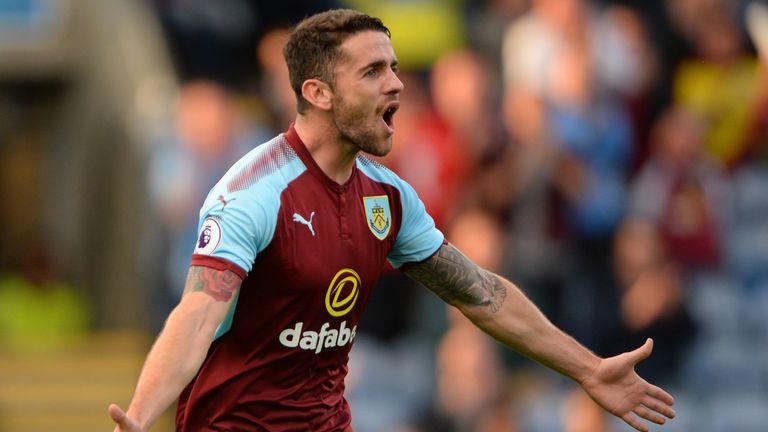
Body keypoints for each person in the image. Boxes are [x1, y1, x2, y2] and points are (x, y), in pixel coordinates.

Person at [109, 9, 676, 432]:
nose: (397, 84)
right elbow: (196, 316)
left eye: (395, 68)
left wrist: (587, 369)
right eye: (373, 71)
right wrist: (140, 416)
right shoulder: (254, 194)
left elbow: (485, 296)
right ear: (319, 93)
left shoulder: (388, 198)